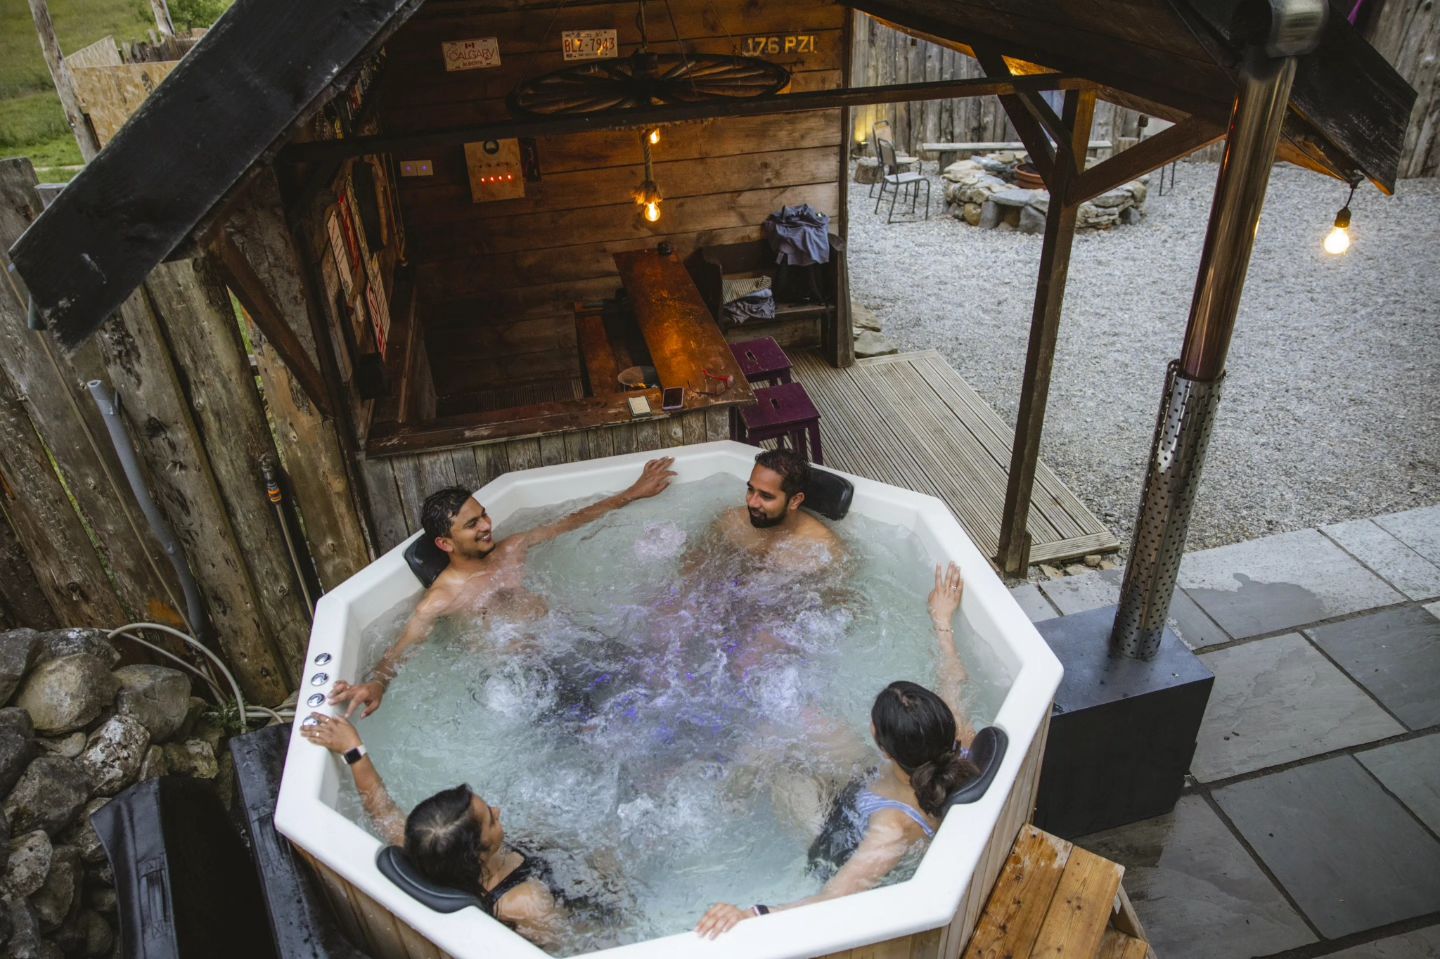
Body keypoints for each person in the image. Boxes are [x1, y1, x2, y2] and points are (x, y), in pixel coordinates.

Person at [695, 562, 978, 939]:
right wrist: (941, 618)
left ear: (883, 746)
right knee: (796, 721)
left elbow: (834, 897)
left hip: (836, 841)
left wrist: (751, 914)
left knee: (782, 775)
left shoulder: (892, 828)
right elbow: (953, 677)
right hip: (872, 785)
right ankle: (727, 796)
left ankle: (718, 812)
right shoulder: (958, 739)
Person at [329, 457, 677, 719]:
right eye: (472, 524)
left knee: (654, 674)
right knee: (598, 728)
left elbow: (573, 521)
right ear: (445, 543)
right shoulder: (441, 600)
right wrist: (377, 684)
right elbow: (398, 653)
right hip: (529, 676)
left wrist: (632, 493)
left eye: (483, 514)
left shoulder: (512, 549)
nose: (486, 525)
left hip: (568, 638)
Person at [301, 712, 578, 948]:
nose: (498, 811)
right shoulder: (523, 902)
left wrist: (353, 750)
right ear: (478, 855)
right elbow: (572, 943)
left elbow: (382, 810)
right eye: (491, 820)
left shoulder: (431, 849)